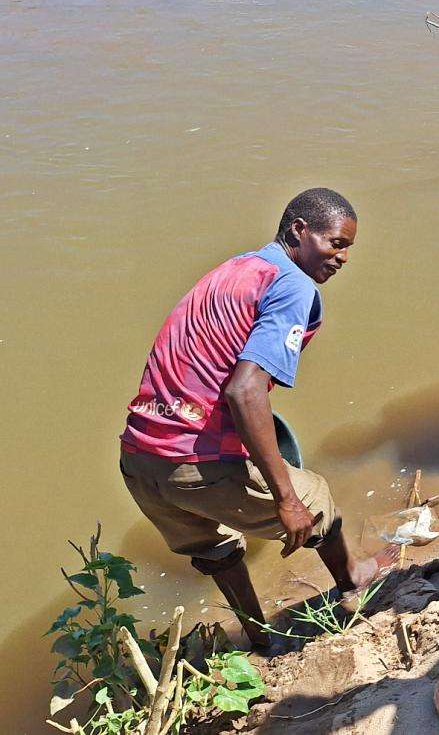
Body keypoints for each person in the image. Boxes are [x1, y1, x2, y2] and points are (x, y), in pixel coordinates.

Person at [119, 188, 395, 649]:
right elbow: (244, 390)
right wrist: (288, 499)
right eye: (335, 243)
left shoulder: (234, 270)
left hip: (139, 458)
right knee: (318, 502)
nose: (343, 257)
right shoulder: (294, 285)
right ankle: (353, 582)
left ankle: (261, 640)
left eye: (348, 247)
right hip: (194, 462)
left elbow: (207, 371)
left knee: (216, 548)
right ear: (299, 231)